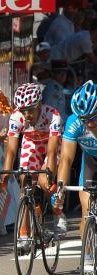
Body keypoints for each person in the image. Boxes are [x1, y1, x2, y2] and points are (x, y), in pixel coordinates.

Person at [2, 83, 65, 243]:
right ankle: (24, 233)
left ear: (39, 105)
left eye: (30, 110)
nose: (27, 115)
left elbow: (51, 152)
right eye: (23, 111)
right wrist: (4, 177)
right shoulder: (16, 117)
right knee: (25, 183)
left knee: (45, 182)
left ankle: (57, 212)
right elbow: (10, 150)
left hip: (51, 144)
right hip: (32, 144)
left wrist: (49, 176)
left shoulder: (53, 115)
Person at [57, 81, 97, 245]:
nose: (89, 123)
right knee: (87, 211)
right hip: (90, 162)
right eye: (84, 119)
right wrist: (60, 189)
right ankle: (88, 259)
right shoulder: (73, 122)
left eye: (93, 117)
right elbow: (66, 159)